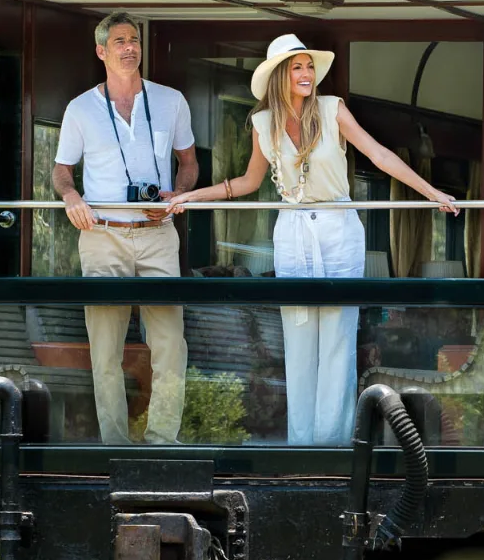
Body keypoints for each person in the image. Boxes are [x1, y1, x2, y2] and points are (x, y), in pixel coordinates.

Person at [169, 34, 459, 444]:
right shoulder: (263, 123)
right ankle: (300, 446)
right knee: (299, 337)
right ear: (279, 77)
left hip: (339, 228)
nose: (306, 74)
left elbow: (379, 155)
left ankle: (333, 446)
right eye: (296, 67)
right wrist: (189, 197)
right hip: (292, 231)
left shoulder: (331, 109)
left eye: (309, 66)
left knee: (338, 338)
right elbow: (248, 182)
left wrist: (432, 194)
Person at [51, 14, 197, 444]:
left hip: (157, 235)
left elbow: (188, 164)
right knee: (105, 350)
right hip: (103, 235)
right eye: (119, 41)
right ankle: (113, 446)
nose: (129, 47)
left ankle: (162, 441)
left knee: (171, 344)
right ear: (101, 51)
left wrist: (176, 196)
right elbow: (61, 172)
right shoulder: (79, 108)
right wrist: (71, 198)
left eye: (134, 40)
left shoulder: (171, 100)